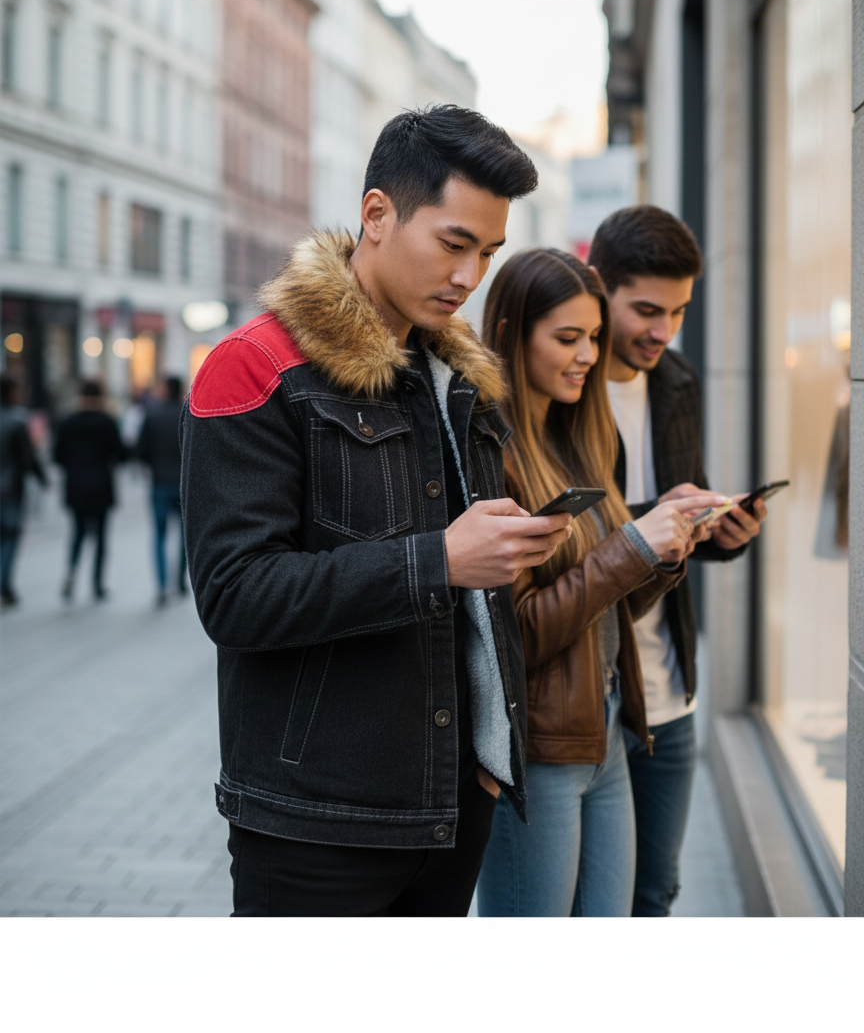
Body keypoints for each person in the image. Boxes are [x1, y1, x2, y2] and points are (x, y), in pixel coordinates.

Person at [179, 105, 574, 917]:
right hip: (317, 825)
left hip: (451, 805)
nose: (470, 277)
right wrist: (440, 560)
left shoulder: (455, 375)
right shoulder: (254, 365)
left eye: (489, 253)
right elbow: (234, 596)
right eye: (454, 244)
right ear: (376, 215)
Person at [475, 249, 723, 917]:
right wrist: (631, 549)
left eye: (592, 337)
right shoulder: (486, 454)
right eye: (566, 338)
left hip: (606, 732)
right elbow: (513, 637)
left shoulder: (578, 435)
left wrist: (662, 555)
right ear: (508, 334)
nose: (587, 356)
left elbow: (600, 605)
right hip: (539, 755)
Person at [588, 204, 768, 917]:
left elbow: (672, 536)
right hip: (587, 698)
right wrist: (654, 525)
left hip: (671, 694)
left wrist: (723, 533)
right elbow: (562, 540)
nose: (664, 331)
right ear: (596, 284)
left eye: (680, 311)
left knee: (654, 896)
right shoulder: (558, 385)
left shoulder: (676, 382)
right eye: (646, 310)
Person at [54, 378, 127, 602]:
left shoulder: (68, 421)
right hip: (101, 484)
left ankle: (71, 572)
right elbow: (120, 454)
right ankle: (97, 584)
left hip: (75, 484)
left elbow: (57, 456)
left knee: (77, 532)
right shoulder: (107, 421)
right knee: (101, 535)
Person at [136, 375, 187, 606]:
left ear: (166, 389)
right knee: (186, 535)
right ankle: (181, 580)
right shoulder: (188, 414)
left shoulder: (152, 416)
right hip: (184, 484)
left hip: (159, 483)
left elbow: (140, 451)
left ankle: (161, 584)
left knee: (159, 535)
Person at [0, 374, 48, 607]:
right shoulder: (17, 421)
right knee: (9, 537)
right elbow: (28, 458)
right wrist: (42, 478)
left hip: (9, 488)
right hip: (10, 490)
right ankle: (4, 583)